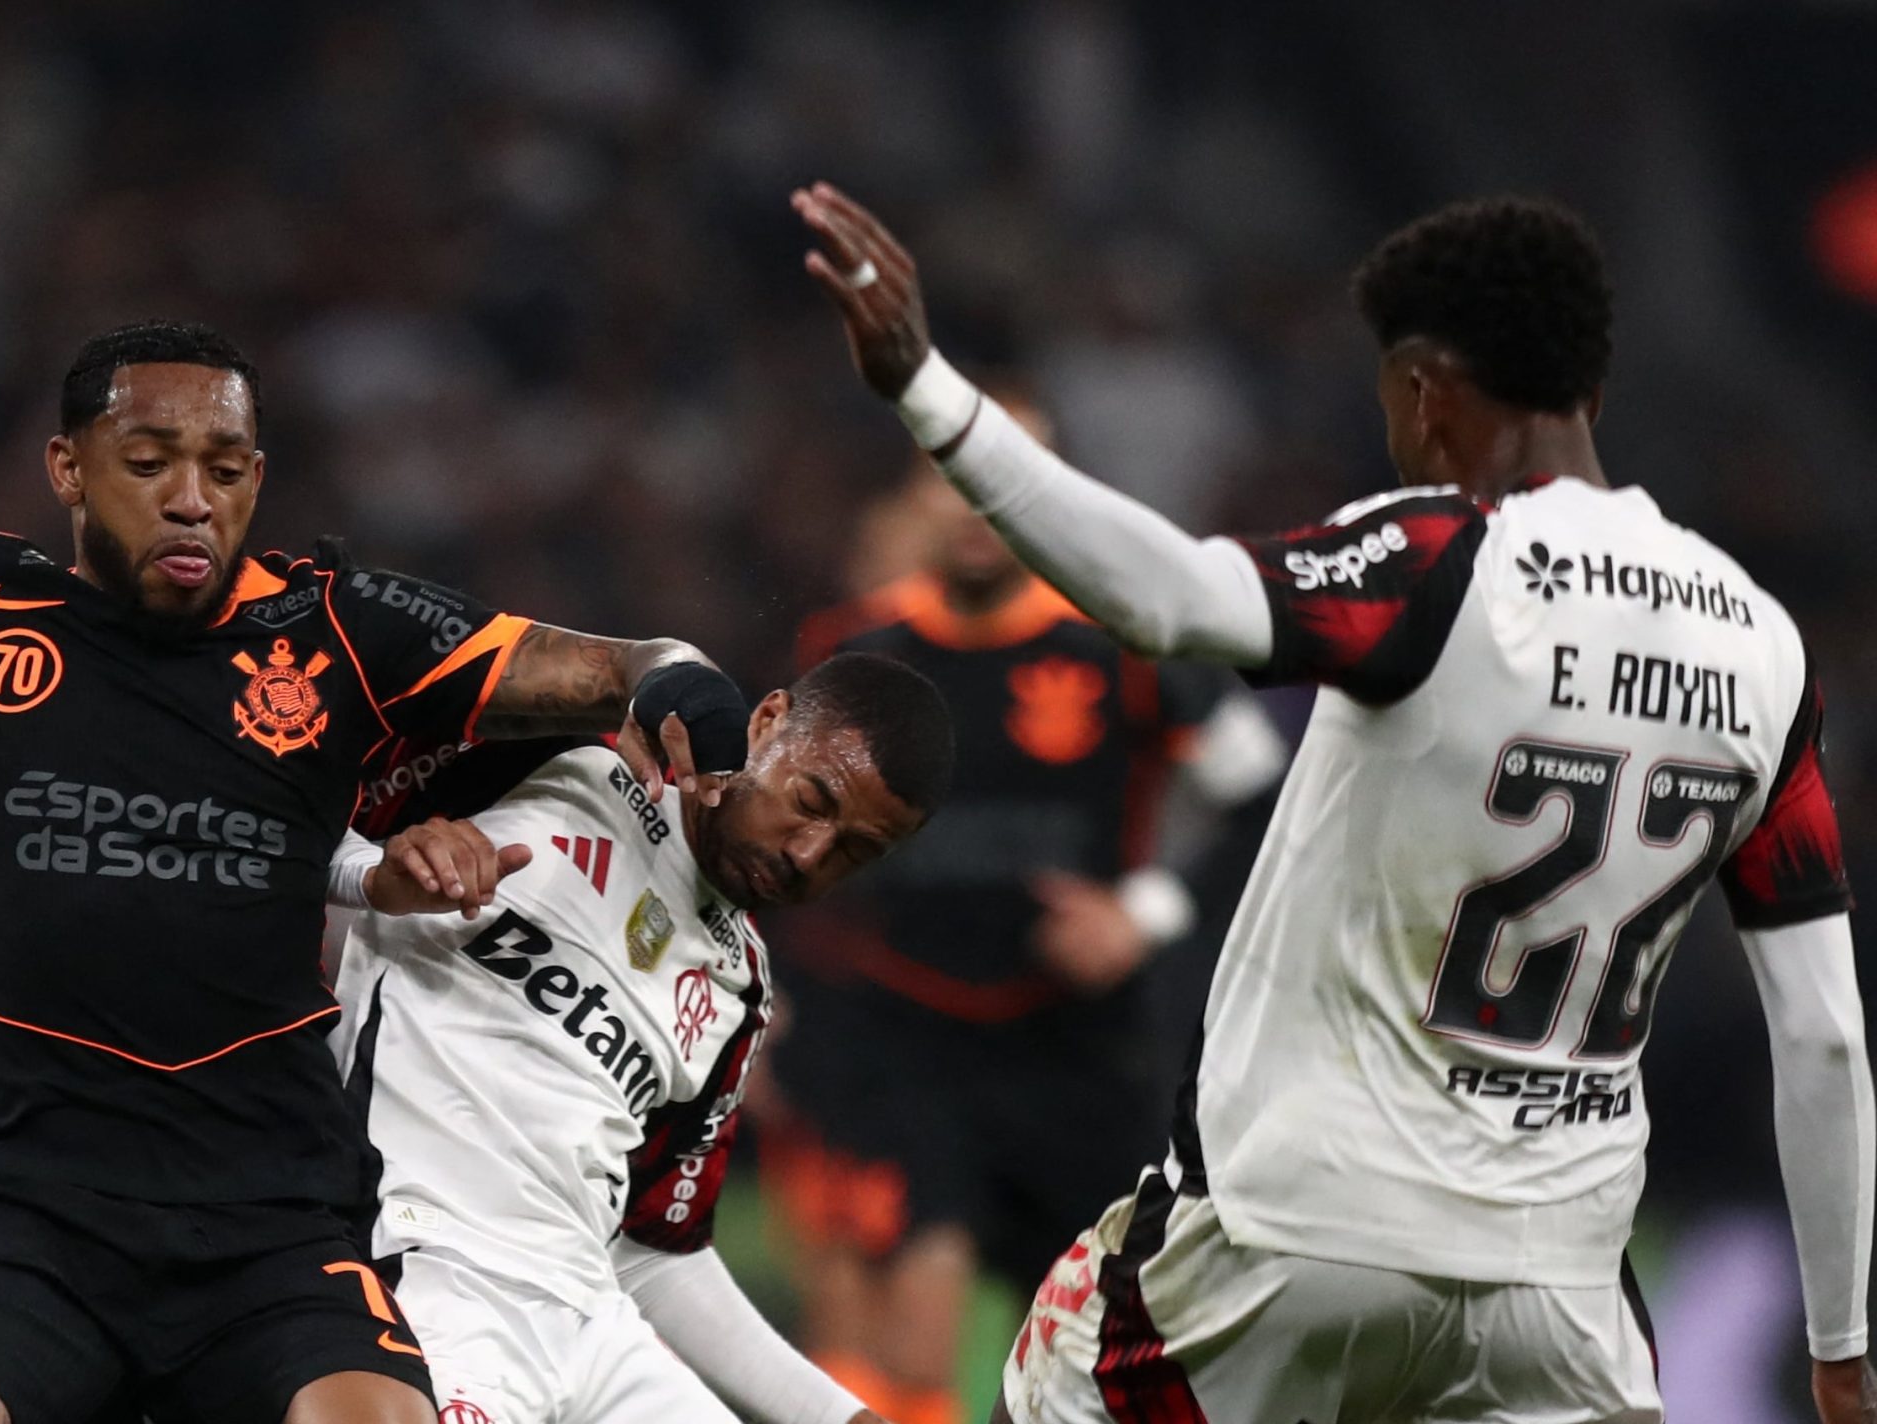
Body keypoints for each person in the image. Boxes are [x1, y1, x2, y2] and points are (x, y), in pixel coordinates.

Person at [0, 34, 753, 1424]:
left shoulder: (339, 628)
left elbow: (622, 669)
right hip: (28, 1219)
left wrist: (682, 691)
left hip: (274, 1226)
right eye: (148, 461)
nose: (191, 499)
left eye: (225, 467)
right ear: (67, 468)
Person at [795, 181, 1872, 1424]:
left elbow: (1171, 599)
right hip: (1558, 1287)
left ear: (1422, 390)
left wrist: (928, 392)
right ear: (1591, 386)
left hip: (1297, 1236)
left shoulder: (1442, 561)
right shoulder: (1763, 647)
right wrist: (1841, 1341)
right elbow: (1824, 1034)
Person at [765, 440, 1288, 1424]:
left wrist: (1140, 915)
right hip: (906, 1037)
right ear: (913, 500)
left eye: (999, 479)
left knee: (1085, 1352)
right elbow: (769, 827)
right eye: (946, 480)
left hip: (1078, 1051)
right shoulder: (854, 650)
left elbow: (1266, 796)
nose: (971, 506)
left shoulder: (1128, 641)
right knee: (904, 1321)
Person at [326, 651, 956, 1424]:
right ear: (767, 722)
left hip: (593, 1321)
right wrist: (371, 875)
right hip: (426, 1266)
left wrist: (841, 1417)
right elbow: (266, 822)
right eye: (810, 800)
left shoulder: (741, 987)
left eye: (854, 851)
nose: (808, 855)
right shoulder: (559, 754)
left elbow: (654, 1252)